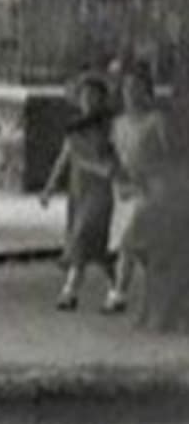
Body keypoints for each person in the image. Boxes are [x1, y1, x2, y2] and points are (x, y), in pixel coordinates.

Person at [39, 73, 118, 310]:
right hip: (79, 188)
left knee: (85, 234)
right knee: (89, 240)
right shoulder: (75, 127)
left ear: (103, 99)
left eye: (94, 96)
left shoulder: (109, 125)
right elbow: (65, 158)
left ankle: (70, 290)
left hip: (103, 187)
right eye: (84, 96)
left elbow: (118, 154)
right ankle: (115, 285)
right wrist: (50, 187)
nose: (89, 100)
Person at [108, 62, 171, 315]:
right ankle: (134, 291)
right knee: (134, 244)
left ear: (147, 91)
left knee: (133, 239)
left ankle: (120, 292)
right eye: (126, 88)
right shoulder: (119, 123)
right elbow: (116, 155)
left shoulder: (156, 121)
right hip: (126, 187)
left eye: (137, 88)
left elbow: (169, 154)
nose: (131, 93)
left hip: (153, 187)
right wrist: (119, 179)